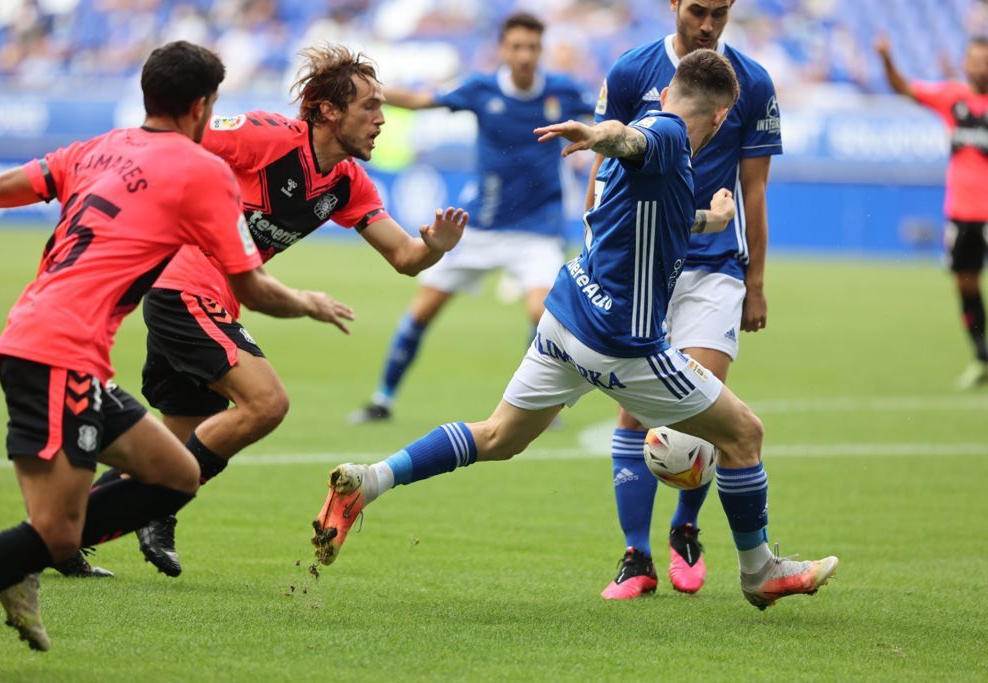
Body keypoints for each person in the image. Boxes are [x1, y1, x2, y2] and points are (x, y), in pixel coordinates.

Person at [312, 49, 839, 612]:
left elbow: (658, 212)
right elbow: (630, 139)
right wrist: (598, 133)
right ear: (719, 119)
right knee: (743, 435)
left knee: (498, 437)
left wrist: (712, 217)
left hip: (566, 319)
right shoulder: (664, 135)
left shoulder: (660, 150)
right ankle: (760, 572)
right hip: (622, 343)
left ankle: (369, 481)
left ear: (666, 93)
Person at [0, 41, 353, 651]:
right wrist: (308, 301)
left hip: (59, 346)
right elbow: (251, 285)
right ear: (202, 106)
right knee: (57, 535)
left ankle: (24, 558)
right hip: (56, 351)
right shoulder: (203, 172)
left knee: (177, 474)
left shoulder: (96, 147)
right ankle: (18, 562)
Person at [79, 44, 468, 579]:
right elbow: (173, 139)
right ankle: (151, 506)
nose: (382, 118)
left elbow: (405, 257)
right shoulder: (264, 136)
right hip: (180, 286)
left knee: (172, 450)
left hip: (213, 299)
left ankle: (67, 531)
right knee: (265, 404)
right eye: (370, 107)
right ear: (328, 110)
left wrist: (436, 248)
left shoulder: (346, 182)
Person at [593, 0, 782, 600]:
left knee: (699, 400)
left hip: (712, 266)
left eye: (721, 13)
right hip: (645, 264)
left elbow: (754, 191)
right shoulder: (630, 72)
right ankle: (636, 556)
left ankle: (686, 528)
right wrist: (598, 254)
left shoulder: (751, 83)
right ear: (673, 3)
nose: (708, 24)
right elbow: (603, 169)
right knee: (633, 408)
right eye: (698, 10)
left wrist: (754, 283)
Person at [349, 11, 596, 424]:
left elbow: (609, 113)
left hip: (538, 227)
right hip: (479, 226)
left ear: (541, 50)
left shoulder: (562, 91)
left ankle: (538, 402)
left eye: (532, 47)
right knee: (422, 311)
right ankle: (382, 399)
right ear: (503, 49)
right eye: (516, 46)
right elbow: (420, 101)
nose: (524, 55)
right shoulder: (480, 89)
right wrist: (367, 91)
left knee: (543, 314)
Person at [876, 35, 988, 390]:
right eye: (974, 59)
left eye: (984, 60)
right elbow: (904, 88)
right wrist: (886, 58)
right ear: (965, 63)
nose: (979, 66)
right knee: (965, 283)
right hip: (961, 211)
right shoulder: (952, 98)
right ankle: (982, 356)